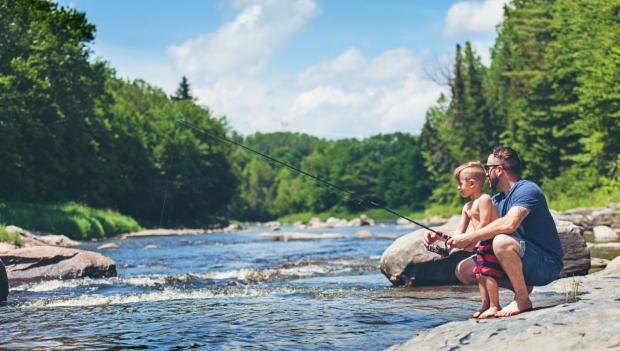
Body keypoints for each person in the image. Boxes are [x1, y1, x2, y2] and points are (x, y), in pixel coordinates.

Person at [424, 147, 564, 317]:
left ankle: (522, 300)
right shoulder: (496, 200)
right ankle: (517, 289)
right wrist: (440, 237)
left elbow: (509, 224)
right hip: (523, 259)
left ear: (499, 170)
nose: (486, 173)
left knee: (501, 242)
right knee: (464, 270)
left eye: (488, 168)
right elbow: (479, 231)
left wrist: (470, 238)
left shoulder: (527, 189)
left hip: (546, 264)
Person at [449, 161, 501, 319]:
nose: (458, 187)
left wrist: (472, 241)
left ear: (472, 184)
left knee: (488, 273)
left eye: (460, 184)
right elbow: (460, 230)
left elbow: (485, 223)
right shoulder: (467, 206)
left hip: (489, 242)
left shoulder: (484, 199)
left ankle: (495, 305)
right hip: (480, 243)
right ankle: (485, 304)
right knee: (479, 274)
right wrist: (451, 242)